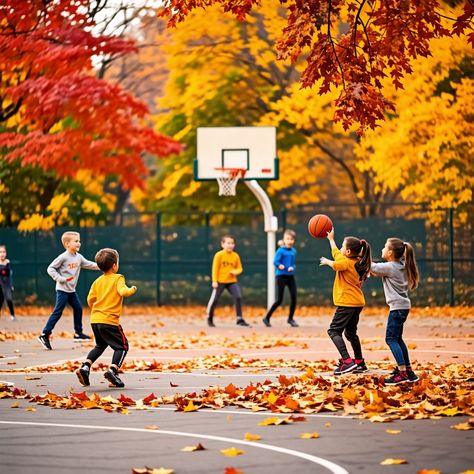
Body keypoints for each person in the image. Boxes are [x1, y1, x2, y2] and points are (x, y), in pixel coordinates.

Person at [76, 248, 137, 388]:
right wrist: (131, 289)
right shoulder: (118, 278)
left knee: (100, 345)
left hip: (95, 320)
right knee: (122, 346)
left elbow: (90, 299)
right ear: (115, 265)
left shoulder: (97, 281)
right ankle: (113, 370)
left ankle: (85, 367)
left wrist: (96, 309)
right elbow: (123, 291)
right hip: (109, 321)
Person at [320, 228, 371, 375]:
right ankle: (360, 362)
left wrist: (327, 262)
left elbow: (337, 263)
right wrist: (331, 240)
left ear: (348, 252)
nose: (340, 249)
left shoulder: (346, 262)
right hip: (357, 303)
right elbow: (337, 255)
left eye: (343, 246)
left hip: (347, 303)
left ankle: (347, 361)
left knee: (333, 331)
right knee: (350, 334)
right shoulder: (359, 262)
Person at [37, 231, 98, 350]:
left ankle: (78, 333)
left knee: (78, 308)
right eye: (76, 241)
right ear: (67, 244)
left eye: (79, 241)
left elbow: (89, 264)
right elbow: (51, 269)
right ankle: (44, 335)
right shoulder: (63, 257)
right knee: (58, 311)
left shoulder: (78, 257)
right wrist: (60, 279)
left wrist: (102, 265)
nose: (79, 243)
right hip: (62, 290)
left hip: (71, 290)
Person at [371, 238, 420, 385]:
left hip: (397, 308)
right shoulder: (401, 265)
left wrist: (363, 254)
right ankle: (408, 371)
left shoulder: (390, 267)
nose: (382, 249)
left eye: (385, 247)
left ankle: (403, 373)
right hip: (403, 307)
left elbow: (372, 268)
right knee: (397, 339)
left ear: (390, 253)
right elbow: (374, 271)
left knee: (391, 339)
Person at [206, 235, 250, 327]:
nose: (230, 245)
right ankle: (209, 317)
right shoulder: (219, 255)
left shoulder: (235, 256)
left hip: (231, 281)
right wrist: (214, 281)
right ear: (222, 244)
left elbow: (240, 268)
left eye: (232, 243)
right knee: (214, 300)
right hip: (220, 281)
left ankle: (239, 319)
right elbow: (215, 269)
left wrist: (235, 272)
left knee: (238, 297)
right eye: (228, 243)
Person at [262, 229, 298, 327]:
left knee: (294, 297)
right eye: (287, 239)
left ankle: (290, 319)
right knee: (279, 300)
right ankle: (266, 318)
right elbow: (275, 262)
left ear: (293, 240)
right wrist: (280, 265)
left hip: (290, 277)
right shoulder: (280, 251)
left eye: (291, 239)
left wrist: (292, 268)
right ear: (284, 240)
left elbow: (293, 264)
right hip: (281, 276)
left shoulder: (294, 251)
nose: (289, 241)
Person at [0, 245, 16, 321]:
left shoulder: (8, 262)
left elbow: (10, 275)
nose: (2, 254)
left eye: (4, 252)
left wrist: (11, 285)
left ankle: (13, 315)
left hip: (6, 283)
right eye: (0, 252)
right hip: (0, 284)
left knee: (9, 299)